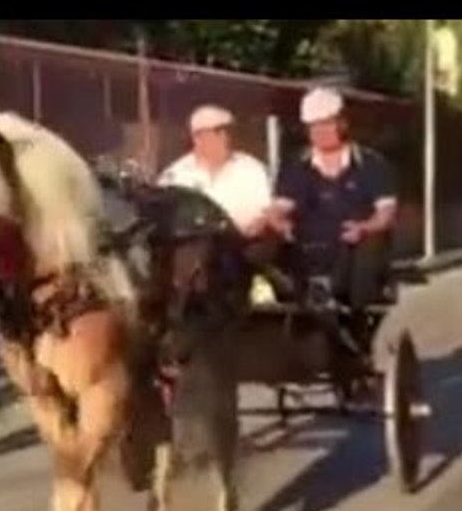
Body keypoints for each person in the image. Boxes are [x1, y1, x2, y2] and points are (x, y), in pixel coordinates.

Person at [269, 87, 399, 350]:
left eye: (326, 124)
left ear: (342, 122)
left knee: (370, 246)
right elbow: (280, 207)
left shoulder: (372, 164)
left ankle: (355, 322)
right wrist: (280, 223)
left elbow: (386, 213)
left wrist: (365, 227)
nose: (321, 132)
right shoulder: (297, 166)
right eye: (314, 126)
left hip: (356, 244)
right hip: (310, 244)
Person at [158, 105, 272, 236]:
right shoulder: (175, 175)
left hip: (243, 250)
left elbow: (266, 215)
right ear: (197, 137)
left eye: (229, 131)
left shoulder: (252, 169)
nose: (226, 137)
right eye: (218, 131)